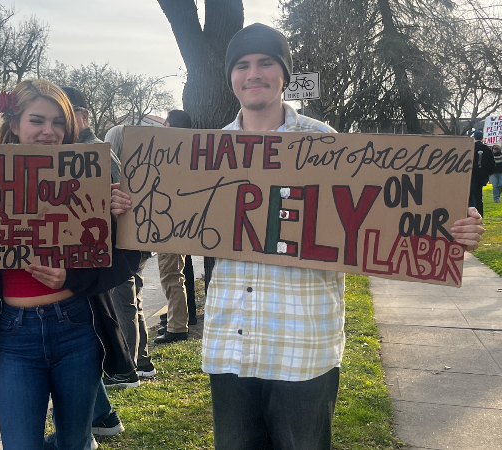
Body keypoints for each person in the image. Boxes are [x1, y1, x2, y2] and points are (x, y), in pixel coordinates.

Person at [182, 23, 485, 450]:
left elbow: (385, 217)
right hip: (231, 345)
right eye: (242, 65)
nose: (253, 74)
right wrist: (126, 208)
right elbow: (165, 215)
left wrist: (450, 232)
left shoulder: (326, 143)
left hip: (303, 347)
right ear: (231, 76)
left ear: (284, 74)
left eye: (265, 63)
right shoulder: (208, 152)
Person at [0, 80, 142, 450]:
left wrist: (116, 219)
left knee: (74, 443)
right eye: (37, 120)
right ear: (14, 124)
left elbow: (128, 259)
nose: (49, 131)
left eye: (58, 122)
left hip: (76, 328)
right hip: (14, 336)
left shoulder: (87, 177)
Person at [58, 85, 128, 436]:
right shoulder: (61, 153)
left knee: (86, 336)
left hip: (90, 268)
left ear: (82, 116)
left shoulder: (95, 154)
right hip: (76, 267)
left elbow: (119, 214)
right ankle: (101, 415)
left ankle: (101, 416)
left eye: (64, 116)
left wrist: (116, 211)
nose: (56, 125)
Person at [102, 124, 157, 387]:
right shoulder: (139, 171)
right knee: (134, 302)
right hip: (139, 245)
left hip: (125, 247)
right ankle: (142, 361)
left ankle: (129, 367)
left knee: (124, 305)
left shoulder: (114, 168)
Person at [154, 109, 197, 344]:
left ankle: (177, 326)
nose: (163, 127)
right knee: (174, 274)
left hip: (171, 223)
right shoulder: (189, 151)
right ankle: (175, 319)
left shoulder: (172, 153)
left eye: (166, 123)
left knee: (171, 275)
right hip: (180, 222)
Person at [469, 130, 494, 215]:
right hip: (481, 177)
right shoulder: (487, 149)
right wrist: (486, 175)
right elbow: (492, 165)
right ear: (482, 138)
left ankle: (471, 214)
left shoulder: (470, 148)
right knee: (478, 197)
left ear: (474, 137)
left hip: (471, 176)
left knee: (471, 196)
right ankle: (479, 215)